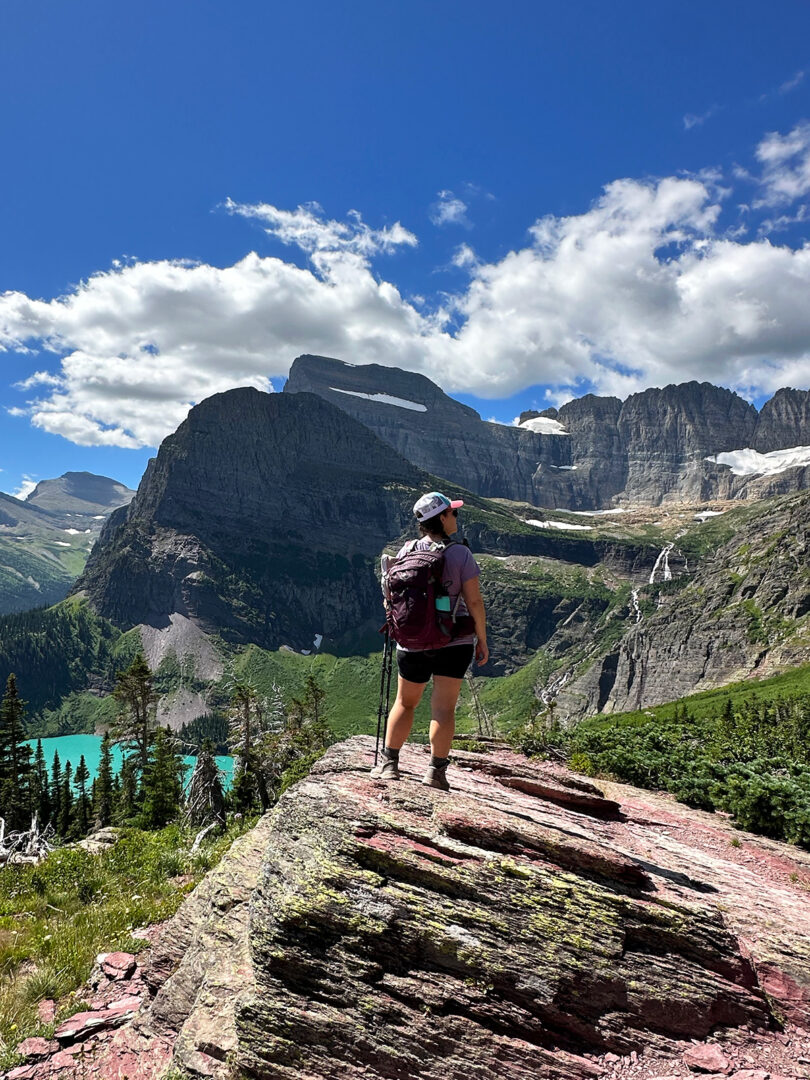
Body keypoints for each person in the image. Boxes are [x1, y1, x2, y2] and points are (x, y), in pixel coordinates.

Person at [372, 491, 489, 791]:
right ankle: (435, 773)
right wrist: (482, 640)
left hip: (411, 644)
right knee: (443, 709)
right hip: (454, 642)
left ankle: (389, 764)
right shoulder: (461, 554)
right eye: (453, 512)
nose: (456, 517)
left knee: (405, 702)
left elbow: (391, 595)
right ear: (441, 517)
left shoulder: (407, 550)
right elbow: (474, 602)